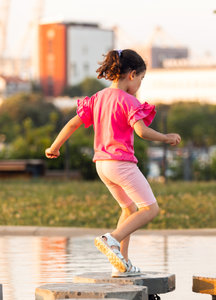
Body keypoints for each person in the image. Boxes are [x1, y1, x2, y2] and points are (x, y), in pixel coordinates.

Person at [45, 49, 181, 277]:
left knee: (128, 208)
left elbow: (72, 124)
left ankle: (121, 264)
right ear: (132, 74)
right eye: (141, 79)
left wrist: (55, 146)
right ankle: (111, 239)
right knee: (150, 208)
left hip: (102, 165)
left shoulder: (97, 99)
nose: (140, 84)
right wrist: (166, 137)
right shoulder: (128, 101)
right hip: (121, 164)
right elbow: (142, 132)